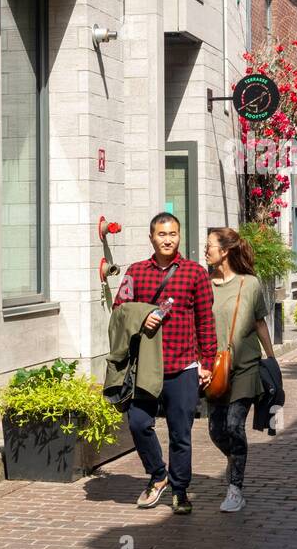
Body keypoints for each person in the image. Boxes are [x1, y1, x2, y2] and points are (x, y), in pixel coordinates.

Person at [113, 213, 216, 515]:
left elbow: (206, 321)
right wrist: (141, 317)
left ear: (180, 236)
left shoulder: (195, 273)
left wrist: (206, 362)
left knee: (180, 434)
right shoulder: (135, 272)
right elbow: (120, 309)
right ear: (151, 237)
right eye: (161, 234)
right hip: (146, 367)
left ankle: (180, 491)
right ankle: (158, 475)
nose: (168, 239)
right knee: (138, 423)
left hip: (183, 366)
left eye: (173, 234)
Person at [204, 227, 278, 513]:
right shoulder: (204, 283)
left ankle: (235, 488)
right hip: (213, 368)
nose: (206, 250)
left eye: (210, 245)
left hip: (245, 366)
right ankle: (235, 458)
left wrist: (271, 359)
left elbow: (259, 323)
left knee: (235, 425)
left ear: (225, 251)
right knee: (216, 431)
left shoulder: (250, 284)